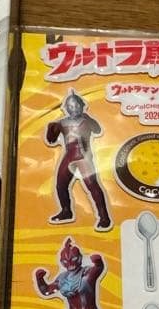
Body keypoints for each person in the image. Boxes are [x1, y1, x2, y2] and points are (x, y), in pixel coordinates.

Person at [45, 89, 112, 230]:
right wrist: (51, 128)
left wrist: (89, 118)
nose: (73, 108)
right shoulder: (62, 123)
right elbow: (51, 140)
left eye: (76, 105)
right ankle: (66, 211)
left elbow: (98, 130)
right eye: (70, 106)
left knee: (92, 186)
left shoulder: (85, 120)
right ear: (66, 108)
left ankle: (104, 217)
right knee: (60, 184)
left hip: (84, 157)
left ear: (81, 106)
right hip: (69, 155)